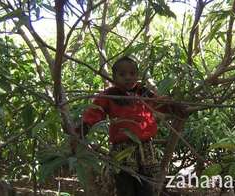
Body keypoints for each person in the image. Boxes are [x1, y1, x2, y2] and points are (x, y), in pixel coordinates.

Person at [74, 56, 187, 196]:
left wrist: (175, 107)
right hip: (122, 149)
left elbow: (159, 103)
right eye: (122, 74)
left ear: (137, 75)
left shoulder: (143, 93)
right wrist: (85, 126)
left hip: (146, 148)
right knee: (125, 185)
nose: (128, 77)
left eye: (132, 73)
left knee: (146, 186)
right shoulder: (109, 95)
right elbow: (95, 111)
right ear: (114, 77)